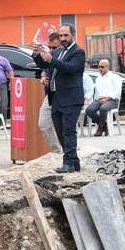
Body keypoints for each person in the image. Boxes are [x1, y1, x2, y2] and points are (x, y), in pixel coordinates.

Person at [32, 23, 85, 173]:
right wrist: (36, 55)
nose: (63, 38)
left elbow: (71, 68)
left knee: (69, 131)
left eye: (65, 35)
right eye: (61, 35)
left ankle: (67, 163)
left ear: (72, 35)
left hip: (71, 98)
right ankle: (74, 162)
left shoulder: (78, 52)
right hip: (55, 97)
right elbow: (45, 65)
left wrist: (52, 60)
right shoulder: (58, 52)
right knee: (61, 131)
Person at [38, 32, 63, 153]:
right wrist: (43, 78)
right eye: (50, 47)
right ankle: (57, 151)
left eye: (54, 47)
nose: (52, 50)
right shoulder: (49, 56)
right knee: (43, 124)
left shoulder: (65, 55)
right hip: (50, 95)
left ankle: (67, 151)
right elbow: (44, 70)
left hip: (63, 95)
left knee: (64, 127)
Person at [86, 59, 122, 136]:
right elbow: (97, 92)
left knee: (103, 108)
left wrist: (107, 98)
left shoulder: (114, 77)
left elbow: (117, 91)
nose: (100, 69)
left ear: (107, 67)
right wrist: (96, 100)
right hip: (99, 100)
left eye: (102, 67)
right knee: (89, 110)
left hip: (112, 100)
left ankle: (100, 129)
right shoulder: (98, 78)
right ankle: (104, 126)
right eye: (98, 67)